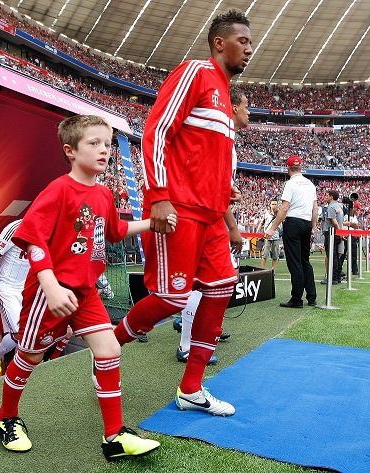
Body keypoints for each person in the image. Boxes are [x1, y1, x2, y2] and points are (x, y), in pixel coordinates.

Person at [0, 115, 173, 460]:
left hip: (85, 292)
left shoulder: (103, 193)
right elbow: (32, 238)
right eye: (94, 143)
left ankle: (114, 437)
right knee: (30, 356)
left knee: (109, 350)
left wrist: (152, 223)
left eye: (107, 143)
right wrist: (50, 285)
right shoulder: (59, 189)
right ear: (70, 151)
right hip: (50, 294)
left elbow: (116, 231)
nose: (104, 150)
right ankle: (5, 417)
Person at [114, 10, 252, 419]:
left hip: (210, 216)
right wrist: (158, 195)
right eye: (243, 40)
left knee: (221, 289)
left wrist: (226, 203)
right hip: (179, 210)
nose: (250, 48)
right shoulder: (196, 73)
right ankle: (107, 345)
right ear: (219, 43)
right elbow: (156, 130)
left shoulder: (226, 97)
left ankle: (191, 388)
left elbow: (207, 161)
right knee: (173, 298)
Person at [175, 84, 249, 365]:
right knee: (200, 284)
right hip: (202, 218)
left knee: (212, 283)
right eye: (246, 107)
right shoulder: (220, 138)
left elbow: (220, 186)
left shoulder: (227, 139)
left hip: (207, 216)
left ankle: (199, 332)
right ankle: (186, 342)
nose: (249, 112)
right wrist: (232, 227)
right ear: (233, 107)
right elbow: (213, 188)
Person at [265, 155, 318, 308]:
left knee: (294, 262)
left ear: (288, 168)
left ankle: (296, 298)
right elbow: (315, 208)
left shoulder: (290, 183)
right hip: (306, 222)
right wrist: (313, 226)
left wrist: (272, 228)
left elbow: (284, 208)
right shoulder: (310, 184)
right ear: (301, 167)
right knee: (305, 260)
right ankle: (312, 296)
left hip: (293, 222)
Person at [0, 219, 30, 378]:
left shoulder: (49, 229)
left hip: (26, 288)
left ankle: (18, 370)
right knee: (20, 333)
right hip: (6, 287)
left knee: (26, 335)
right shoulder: (16, 227)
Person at [321, 190, 344, 285]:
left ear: (331, 197)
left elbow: (333, 221)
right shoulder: (339, 206)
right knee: (336, 256)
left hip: (331, 233)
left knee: (331, 256)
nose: (325, 197)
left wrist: (339, 232)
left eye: (327, 195)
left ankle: (333, 278)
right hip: (336, 233)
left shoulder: (331, 207)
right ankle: (337, 277)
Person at [257, 199, 281, 269]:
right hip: (267, 236)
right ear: (270, 205)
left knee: (275, 255)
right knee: (264, 254)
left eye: (275, 204)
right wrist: (257, 232)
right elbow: (261, 223)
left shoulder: (280, 214)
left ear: (277, 205)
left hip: (276, 236)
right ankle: (262, 268)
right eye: (272, 204)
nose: (274, 206)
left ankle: (273, 269)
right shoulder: (266, 213)